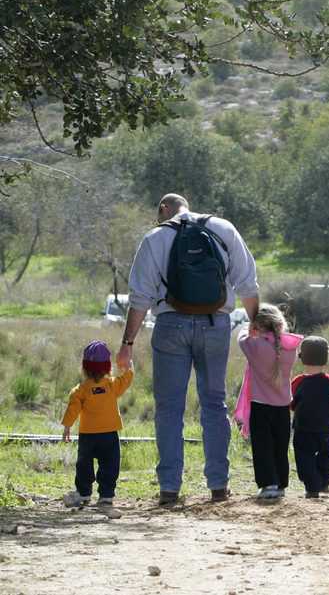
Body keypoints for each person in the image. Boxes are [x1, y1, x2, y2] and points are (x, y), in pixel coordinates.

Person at [117, 193, 259, 506]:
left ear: (164, 209)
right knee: (213, 402)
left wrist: (127, 344)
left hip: (170, 326)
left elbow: (139, 297)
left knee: (169, 408)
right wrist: (257, 326)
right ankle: (218, 486)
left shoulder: (155, 238)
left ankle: (169, 488)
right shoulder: (223, 228)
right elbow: (248, 285)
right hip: (215, 325)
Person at [61, 341, 134, 507]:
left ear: (84, 367)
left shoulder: (80, 390)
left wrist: (67, 427)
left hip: (88, 436)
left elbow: (73, 409)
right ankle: (106, 496)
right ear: (108, 367)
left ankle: (84, 494)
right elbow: (126, 379)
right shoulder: (112, 385)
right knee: (110, 465)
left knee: (84, 466)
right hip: (109, 435)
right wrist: (129, 366)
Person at [238, 304, 299, 500]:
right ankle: (281, 483)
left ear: (257, 326)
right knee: (280, 446)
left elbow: (241, 338)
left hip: (260, 405)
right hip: (283, 407)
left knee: (262, 445)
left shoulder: (255, 347)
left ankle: (268, 484)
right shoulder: (289, 348)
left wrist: (249, 328)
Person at [291, 336, 329, 498]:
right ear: (325, 360)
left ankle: (312, 487)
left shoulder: (297, 382)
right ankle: (324, 481)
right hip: (324, 428)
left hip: (302, 428)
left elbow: (289, 403)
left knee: (304, 456)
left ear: (302, 358)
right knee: (326, 454)